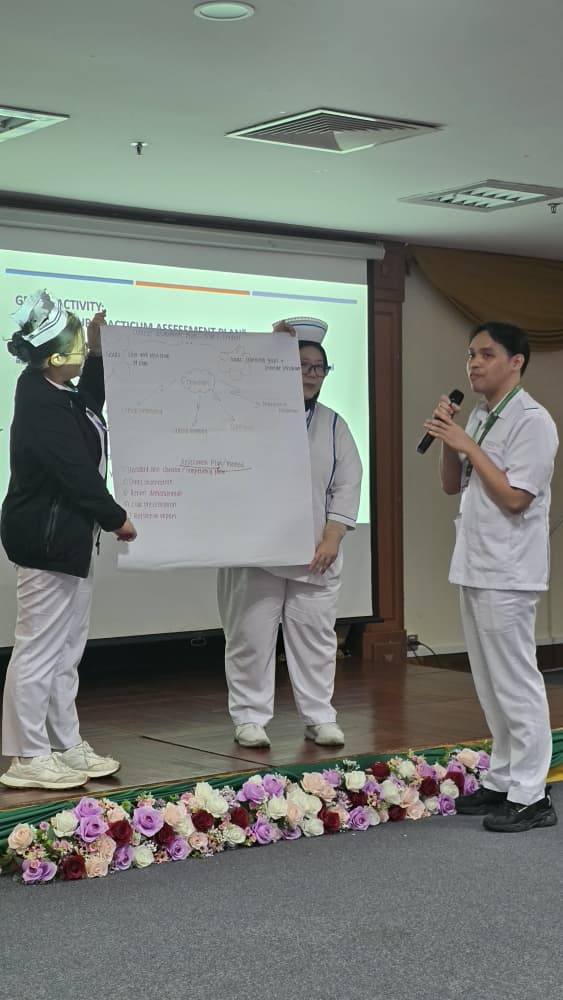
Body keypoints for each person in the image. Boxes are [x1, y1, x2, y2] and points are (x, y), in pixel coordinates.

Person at [424, 321, 558, 833]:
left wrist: (468, 444)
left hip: (510, 570)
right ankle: (503, 779)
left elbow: (515, 497)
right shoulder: (481, 414)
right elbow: (450, 485)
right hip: (475, 563)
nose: (474, 364)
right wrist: (448, 438)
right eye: (470, 355)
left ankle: (531, 795)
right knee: (488, 683)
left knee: (516, 682)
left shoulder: (533, 421)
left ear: (516, 361)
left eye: (485, 354)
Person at [1, 290, 137, 791]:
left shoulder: (58, 392)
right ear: (54, 354)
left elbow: (90, 407)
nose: (80, 351)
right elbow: (73, 471)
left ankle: (64, 742)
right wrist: (116, 516)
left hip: (70, 541)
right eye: (78, 345)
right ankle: (27, 755)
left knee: (65, 650)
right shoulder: (40, 400)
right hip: (47, 540)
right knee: (39, 648)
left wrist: (98, 351)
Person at [217, 317, 362, 748]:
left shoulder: (334, 425)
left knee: (316, 639)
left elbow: (347, 484)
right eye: (301, 366)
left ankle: (320, 716)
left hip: (315, 553)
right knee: (250, 636)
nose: (311, 374)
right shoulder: (247, 415)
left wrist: (333, 537)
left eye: (318, 367)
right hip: (254, 553)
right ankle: (249, 717)